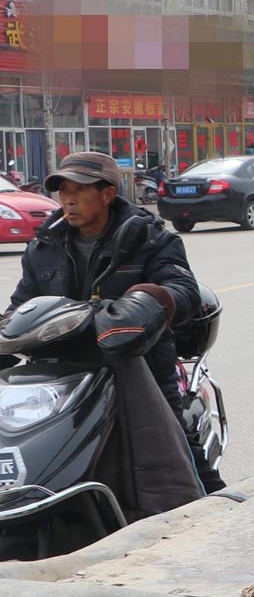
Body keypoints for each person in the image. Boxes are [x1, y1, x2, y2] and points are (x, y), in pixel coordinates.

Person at [10, 151, 210, 494]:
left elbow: (184, 290)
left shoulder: (150, 238)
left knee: (174, 460)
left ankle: (218, 508)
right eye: (63, 190)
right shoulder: (44, 245)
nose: (68, 199)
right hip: (64, 377)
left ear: (107, 194)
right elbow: (21, 306)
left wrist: (150, 300)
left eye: (79, 190)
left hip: (138, 368)